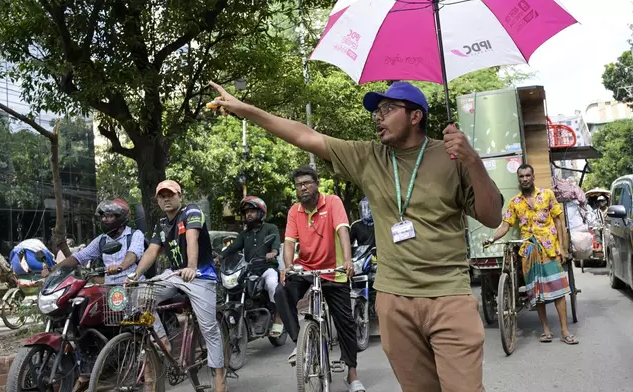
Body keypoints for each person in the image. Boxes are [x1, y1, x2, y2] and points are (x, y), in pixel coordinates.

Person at [209, 80, 503, 392]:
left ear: (415, 116)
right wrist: (245, 110)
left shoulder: (452, 156)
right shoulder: (368, 157)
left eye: (388, 109)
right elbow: (303, 135)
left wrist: (473, 161)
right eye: (376, 111)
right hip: (394, 300)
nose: (378, 117)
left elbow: (491, 215)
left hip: (449, 296)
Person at [42, 198, 167, 392]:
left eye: (111, 216)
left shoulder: (134, 235)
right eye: (104, 216)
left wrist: (122, 266)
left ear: (121, 218)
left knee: (147, 332)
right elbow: (78, 258)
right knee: (82, 312)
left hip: (133, 287)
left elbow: (133, 254)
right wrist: (53, 270)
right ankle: (87, 368)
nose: (106, 219)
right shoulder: (101, 240)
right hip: (112, 294)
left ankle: (158, 366)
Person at [274, 166, 365, 392]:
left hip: (334, 270)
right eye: (299, 184)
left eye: (307, 182)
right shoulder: (295, 211)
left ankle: (352, 374)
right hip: (306, 269)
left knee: (345, 322)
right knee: (281, 291)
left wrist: (348, 260)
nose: (303, 187)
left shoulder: (333, 202)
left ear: (316, 183)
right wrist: (288, 267)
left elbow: (343, 230)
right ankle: (300, 343)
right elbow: (288, 242)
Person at [134, 180, 227, 392]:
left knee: (209, 328)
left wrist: (192, 266)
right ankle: (163, 341)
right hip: (175, 275)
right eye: (162, 196)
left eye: (171, 194)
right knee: (142, 294)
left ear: (180, 196)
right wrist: (135, 275)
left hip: (201, 275)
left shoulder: (192, 212)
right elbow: (152, 252)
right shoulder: (161, 224)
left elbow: (192, 238)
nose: (166, 198)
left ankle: (219, 376)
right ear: (157, 200)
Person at [484, 164, 578, 345]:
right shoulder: (515, 202)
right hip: (528, 251)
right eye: (521, 176)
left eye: (528, 175)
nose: (525, 179)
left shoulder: (547, 195)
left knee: (558, 291)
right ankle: (546, 330)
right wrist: (492, 238)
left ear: (533, 177)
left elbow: (559, 221)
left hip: (549, 249)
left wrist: (563, 248)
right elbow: (506, 225)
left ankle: (565, 331)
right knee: (537, 292)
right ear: (519, 179)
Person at [220, 196, 283, 336]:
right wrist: (219, 257)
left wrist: (273, 252)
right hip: (249, 270)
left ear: (260, 212)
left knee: (272, 284)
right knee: (234, 287)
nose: (249, 214)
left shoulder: (270, 228)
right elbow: (233, 248)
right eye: (246, 212)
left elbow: (275, 244)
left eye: (252, 211)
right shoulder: (244, 234)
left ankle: (278, 319)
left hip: (267, 268)